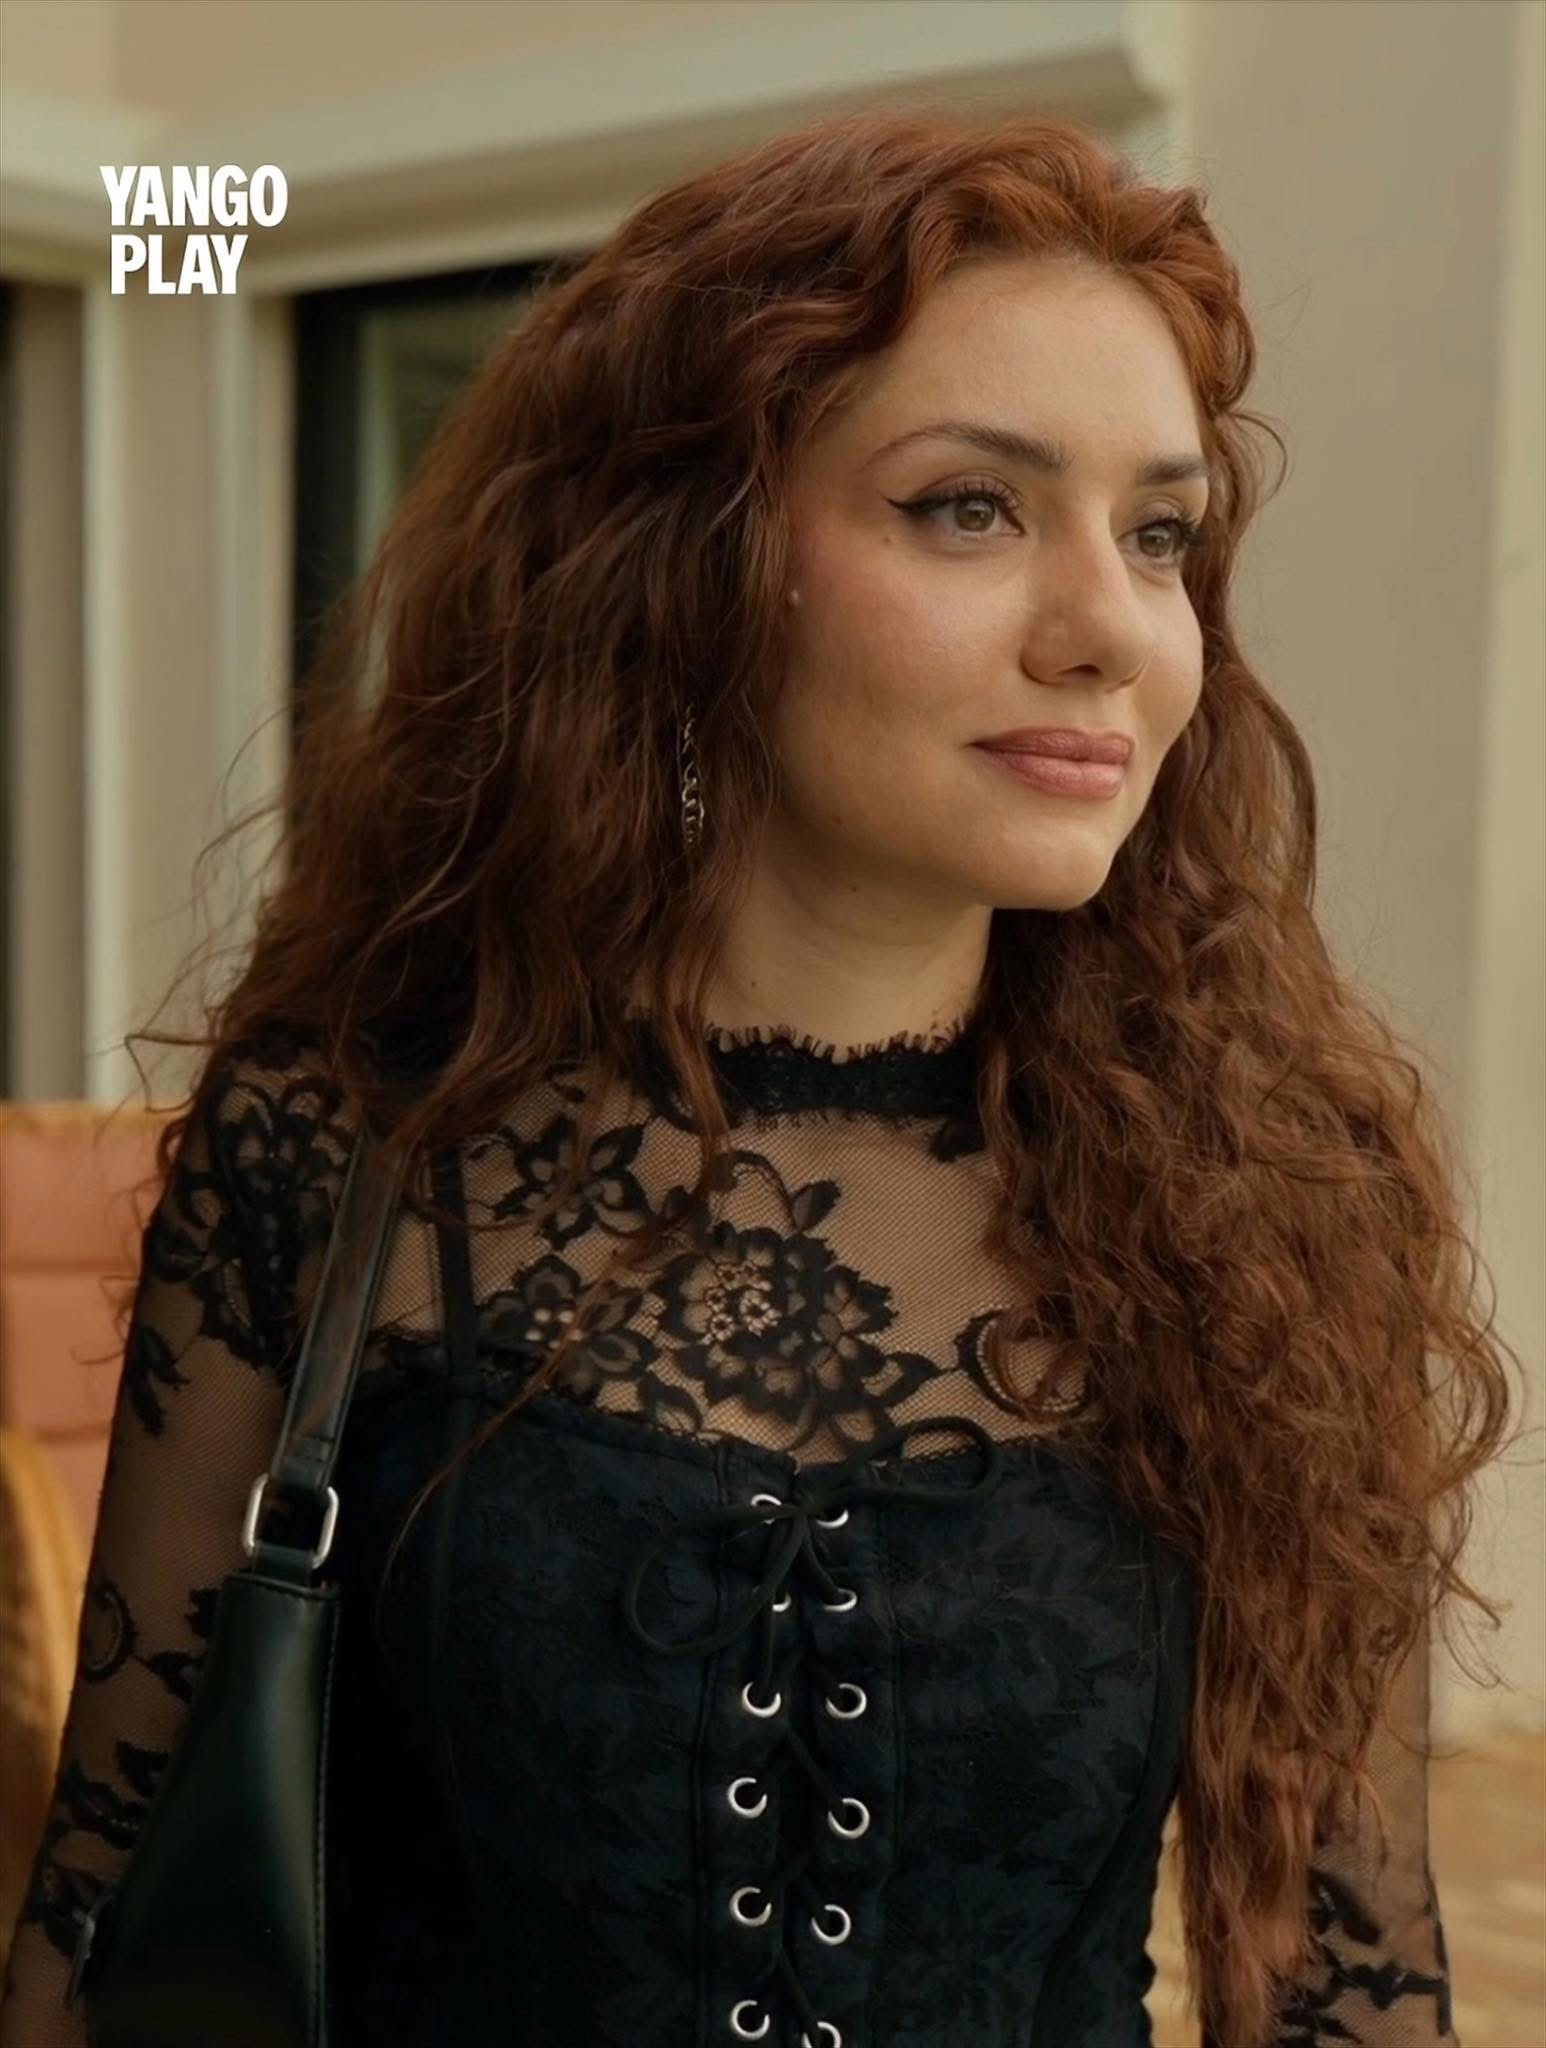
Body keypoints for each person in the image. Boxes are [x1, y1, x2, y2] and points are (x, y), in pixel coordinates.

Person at [0, 106, 1515, 2048]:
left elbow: (1346, 1989)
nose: (1108, 632)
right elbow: (103, 1912)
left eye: (1159, 534)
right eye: (967, 507)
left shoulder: (1279, 1194)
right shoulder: (346, 1139)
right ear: (687, 564)